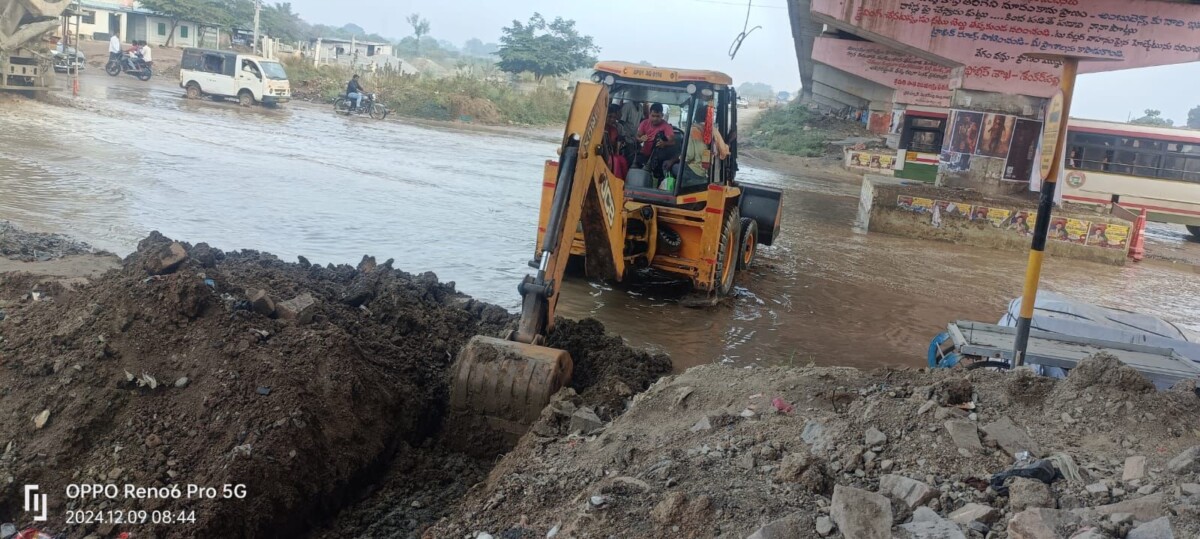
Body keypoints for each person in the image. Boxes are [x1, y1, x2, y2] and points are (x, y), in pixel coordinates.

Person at [634, 104, 675, 177]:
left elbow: (672, 142)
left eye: (658, 116)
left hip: (658, 157)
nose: (655, 119)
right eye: (653, 116)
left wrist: (664, 143)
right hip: (644, 155)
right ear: (649, 114)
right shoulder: (644, 123)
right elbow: (637, 136)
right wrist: (640, 139)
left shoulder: (666, 126)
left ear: (662, 115)